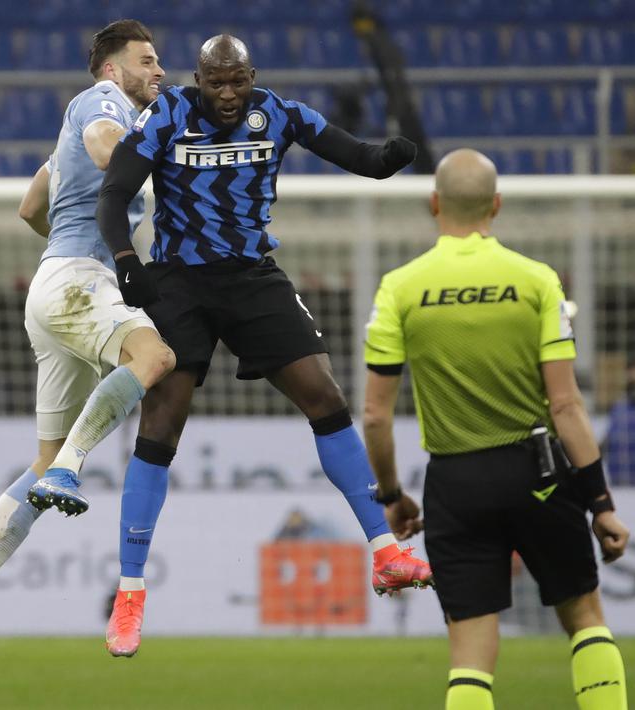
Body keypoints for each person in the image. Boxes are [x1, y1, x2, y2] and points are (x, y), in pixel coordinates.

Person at [94, 34, 433, 653]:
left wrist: (386, 159)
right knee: (162, 421)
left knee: (325, 396)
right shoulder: (166, 113)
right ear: (198, 78)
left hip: (252, 277)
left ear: (252, 75)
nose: (228, 95)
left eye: (238, 82)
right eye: (216, 83)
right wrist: (124, 258)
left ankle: (385, 554)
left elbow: (350, 151)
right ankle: (131, 593)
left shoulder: (277, 112)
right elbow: (114, 192)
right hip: (179, 282)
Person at [0, 19, 176, 674]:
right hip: (77, 282)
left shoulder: (72, 128)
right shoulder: (102, 105)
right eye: (146, 61)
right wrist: (153, 154)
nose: (158, 72)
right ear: (110, 67)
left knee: (39, 467)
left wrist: (63, 250)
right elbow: (103, 148)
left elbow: (29, 207)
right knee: (153, 358)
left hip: (53, 287)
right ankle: (73, 464)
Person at [363, 149, 629, 710]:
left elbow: (375, 416)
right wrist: (600, 501)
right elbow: (567, 407)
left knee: (471, 654)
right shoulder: (537, 281)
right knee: (584, 618)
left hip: (456, 484)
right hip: (540, 474)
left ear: (434, 204)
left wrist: (391, 495)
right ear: (497, 206)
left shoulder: (401, 287)